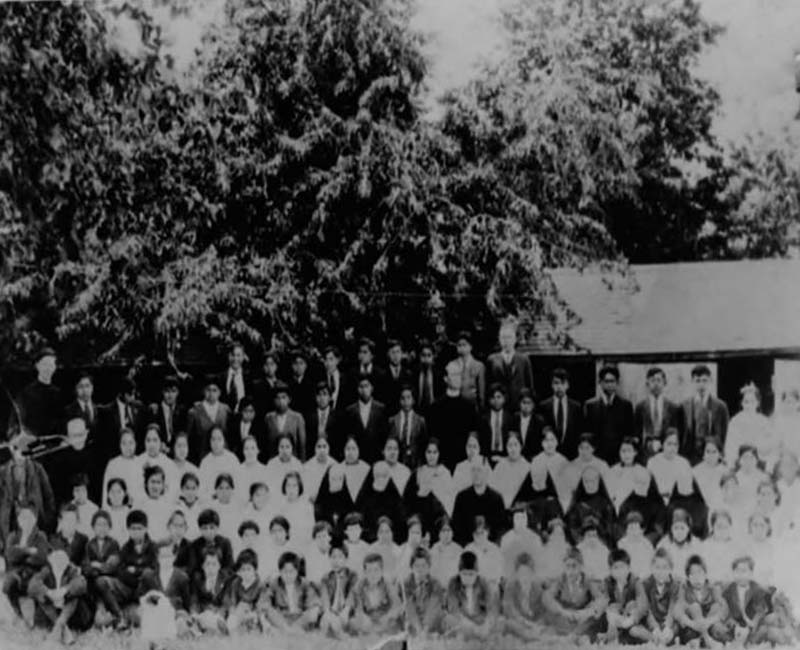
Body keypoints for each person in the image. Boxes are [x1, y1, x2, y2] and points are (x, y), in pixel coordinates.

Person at [99, 509, 157, 630]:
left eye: (139, 528)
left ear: (146, 529)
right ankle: (118, 615)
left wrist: (136, 570)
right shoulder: (125, 548)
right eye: (133, 528)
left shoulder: (152, 547)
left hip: (143, 591)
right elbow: (120, 572)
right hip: (127, 587)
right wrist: (132, 576)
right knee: (102, 582)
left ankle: (140, 613)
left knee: (147, 574)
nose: (136, 532)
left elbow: (154, 570)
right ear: (128, 530)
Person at [0, 436, 55, 552]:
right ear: (12, 450)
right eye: (19, 451)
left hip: (34, 522)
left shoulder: (37, 469)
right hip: (11, 523)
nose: (22, 456)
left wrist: (48, 522)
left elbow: (48, 497)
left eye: (25, 452)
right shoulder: (3, 473)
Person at [28, 547, 93, 643]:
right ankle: (63, 628)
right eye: (56, 562)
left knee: (74, 597)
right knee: (41, 597)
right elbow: (32, 585)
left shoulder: (72, 571)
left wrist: (64, 591)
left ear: (66, 563)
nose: (58, 565)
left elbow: (81, 584)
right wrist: (49, 592)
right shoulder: (46, 571)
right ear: (51, 562)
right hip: (51, 611)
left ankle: (60, 624)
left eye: (62, 562)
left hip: (71, 614)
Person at [541, 547, 606, 641]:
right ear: (564, 566)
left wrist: (586, 612)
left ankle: (576, 635)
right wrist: (563, 611)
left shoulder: (587, 580)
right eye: (567, 566)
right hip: (566, 617)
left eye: (574, 566)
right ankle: (569, 635)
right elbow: (547, 597)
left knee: (598, 617)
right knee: (549, 615)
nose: (571, 570)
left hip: (582, 619)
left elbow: (600, 599)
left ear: (581, 566)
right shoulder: (561, 580)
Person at [720, 555, 787, 646]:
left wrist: (752, 624)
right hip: (736, 625)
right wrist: (730, 620)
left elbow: (760, 612)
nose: (740, 575)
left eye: (744, 571)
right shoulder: (730, 590)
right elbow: (726, 607)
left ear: (751, 573)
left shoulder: (756, 590)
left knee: (766, 630)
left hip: (754, 624)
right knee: (724, 633)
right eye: (737, 571)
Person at [427, 361, 479, 470]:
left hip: (464, 463)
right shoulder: (436, 407)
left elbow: (472, 436)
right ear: (446, 379)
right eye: (454, 375)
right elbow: (433, 437)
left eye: (459, 375)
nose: (458, 378)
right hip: (442, 463)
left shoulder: (469, 406)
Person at [2, 504, 50, 623]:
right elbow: (9, 556)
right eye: (22, 517)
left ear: (34, 519)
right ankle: (18, 614)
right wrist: (28, 551)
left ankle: (38, 616)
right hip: (16, 572)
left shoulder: (41, 536)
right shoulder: (13, 536)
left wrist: (19, 551)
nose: (25, 521)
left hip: (34, 572)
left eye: (29, 517)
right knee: (7, 584)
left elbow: (41, 558)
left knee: (35, 586)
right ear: (18, 520)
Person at [673, 554, 728, 647]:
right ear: (688, 578)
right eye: (692, 574)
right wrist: (692, 624)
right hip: (693, 628)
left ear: (705, 575)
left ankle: (703, 639)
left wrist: (709, 621)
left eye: (700, 573)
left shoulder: (712, 588)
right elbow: (677, 610)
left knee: (716, 608)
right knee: (694, 607)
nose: (697, 578)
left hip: (709, 625)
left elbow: (724, 607)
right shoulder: (684, 589)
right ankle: (706, 640)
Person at [583, 365, 634, 463]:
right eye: (606, 381)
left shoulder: (626, 405)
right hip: (597, 457)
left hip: (619, 458)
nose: (610, 384)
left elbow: (629, 434)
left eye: (612, 381)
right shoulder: (590, 406)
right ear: (600, 383)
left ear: (617, 383)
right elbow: (588, 435)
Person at [443, 550, 497, 640]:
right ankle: (468, 634)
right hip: (461, 620)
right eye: (464, 574)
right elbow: (454, 609)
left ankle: (475, 634)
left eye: (471, 574)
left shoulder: (483, 583)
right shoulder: (453, 583)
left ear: (477, 573)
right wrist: (470, 627)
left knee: (496, 623)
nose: (467, 578)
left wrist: (487, 624)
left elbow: (491, 607)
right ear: (459, 573)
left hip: (479, 620)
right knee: (448, 618)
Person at [681, 365, 730, 463]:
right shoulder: (684, 406)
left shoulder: (720, 406)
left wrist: (720, 455)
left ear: (710, 381)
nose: (701, 385)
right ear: (692, 382)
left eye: (704, 380)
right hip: (690, 457)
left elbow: (724, 435)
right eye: (697, 381)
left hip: (712, 456)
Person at [631, 547, 679, 645]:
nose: (661, 572)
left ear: (671, 569)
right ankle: (654, 639)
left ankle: (664, 639)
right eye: (657, 567)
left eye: (665, 568)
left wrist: (667, 627)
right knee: (634, 630)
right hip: (651, 623)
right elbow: (647, 610)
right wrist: (655, 628)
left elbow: (672, 609)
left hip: (668, 623)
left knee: (676, 627)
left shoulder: (674, 585)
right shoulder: (645, 584)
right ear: (652, 568)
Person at [12, 347, 63, 440]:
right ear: (37, 366)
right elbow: (18, 421)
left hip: (55, 441)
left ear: (55, 367)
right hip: (33, 442)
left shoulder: (58, 393)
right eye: (45, 364)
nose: (48, 369)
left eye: (51, 364)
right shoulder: (26, 393)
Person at [725, 383, 778, 471]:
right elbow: (730, 447)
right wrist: (732, 465)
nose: (749, 405)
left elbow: (770, 445)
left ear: (758, 403)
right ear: (742, 403)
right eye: (746, 402)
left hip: (760, 462)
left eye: (753, 401)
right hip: (740, 463)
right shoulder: (735, 422)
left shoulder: (764, 422)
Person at [451, 461, 506, 545]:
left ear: (486, 473)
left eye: (479, 470)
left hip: (490, 546)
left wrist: (491, 546)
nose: (476, 474)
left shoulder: (496, 498)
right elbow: (456, 526)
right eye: (473, 470)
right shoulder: (462, 497)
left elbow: (501, 528)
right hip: (466, 546)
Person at [600, 549, 647, 644]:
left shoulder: (635, 581)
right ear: (610, 570)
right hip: (615, 619)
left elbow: (643, 605)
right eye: (615, 568)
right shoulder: (607, 582)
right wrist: (611, 613)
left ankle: (650, 637)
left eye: (622, 567)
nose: (619, 571)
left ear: (629, 568)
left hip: (632, 618)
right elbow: (604, 601)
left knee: (632, 607)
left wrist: (632, 619)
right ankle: (612, 636)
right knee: (611, 609)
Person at [486, 319, 534, 412]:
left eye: (509, 337)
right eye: (503, 337)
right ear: (499, 339)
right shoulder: (492, 359)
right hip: (499, 406)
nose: (506, 341)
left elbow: (529, 386)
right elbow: (488, 385)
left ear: (515, 339)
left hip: (518, 405)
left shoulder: (523, 359)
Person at [350, 552, 402, 635]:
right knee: (354, 623)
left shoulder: (387, 584)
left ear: (382, 571)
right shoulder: (360, 586)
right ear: (364, 572)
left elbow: (397, 605)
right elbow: (358, 609)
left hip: (385, 618)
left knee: (395, 623)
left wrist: (388, 617)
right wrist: (364, 619)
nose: (373, 574)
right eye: (369, 571)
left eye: (376, 570)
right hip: (368, 619)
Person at [635, 367, 681, 458]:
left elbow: (675, 432)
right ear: (647, 383)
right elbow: (637, 433)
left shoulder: (673, 407)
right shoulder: (640, 407)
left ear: (664, 383)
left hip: (666, 452)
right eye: (652, 380)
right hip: (646, 453)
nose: (656, 384)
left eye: (659, 380)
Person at [565, 465, 616, 546]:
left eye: (593, 480)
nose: (590, 484)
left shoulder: (606, 504)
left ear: (599, 481)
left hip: (602, 546)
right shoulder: (576, 505)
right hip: (581, 545)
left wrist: (598, 524)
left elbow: (610, 531)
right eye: (586, 481)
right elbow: (572, 530)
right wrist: (584, 528)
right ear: (582, 482)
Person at [342, 374, 387, 464]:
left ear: (372, 388)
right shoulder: (350, 410)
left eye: (366, 386)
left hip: (376, 456)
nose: (364, 390)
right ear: (357, 389)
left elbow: (384, 434)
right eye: (361, 387)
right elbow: (349, 434)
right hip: (357, 457)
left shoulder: (381, 409)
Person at [186, 375, 231, 464]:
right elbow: (189, 439)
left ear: (219, 392)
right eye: (208, 390)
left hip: (223, 458)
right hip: (200, 458)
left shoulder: (226, 410)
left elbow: (230, 436)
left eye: (214, 390)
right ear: (203, 391)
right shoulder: (194, 412)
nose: (211, 394)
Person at [540, 368, 583, 459]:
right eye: (556, 383)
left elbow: (578, 433)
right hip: (549, 455)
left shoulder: (576, 407)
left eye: (563, 383)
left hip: (570, 455)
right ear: (552, 385)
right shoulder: (544, 406)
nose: (559, 386)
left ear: (567, 385)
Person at [501, 552, 545, 641]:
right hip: (517, 622)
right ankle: (530, 636)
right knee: (509, 623)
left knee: (548, 624)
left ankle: (534, 635)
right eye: (521, 573)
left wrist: (537, 624)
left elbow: (542, 611)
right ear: (516, 574)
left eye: (527, 573)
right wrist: (527, 623)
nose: (524, 577)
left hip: (533, 623)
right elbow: (510, 610)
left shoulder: (537, 588)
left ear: (532, 573)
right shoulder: (510, 587)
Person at [319, 540, 358, 637]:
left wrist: (346, 610)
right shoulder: (326, 578)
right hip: (332, 613)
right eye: (333, 557)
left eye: (340, 557)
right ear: (329, 559)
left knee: (353, 622)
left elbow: (352, 595)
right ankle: (339, 634)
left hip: (347, 612)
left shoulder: (352, 575)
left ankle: (340, 634)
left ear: (346, 559)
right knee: (326, 621)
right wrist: (327, 613)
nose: (336, 561)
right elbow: (325, 598)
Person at [360, 461, 406, 543]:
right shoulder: (365, 496)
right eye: (378, 475)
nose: (381, 479)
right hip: (370, 541)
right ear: (373, 475)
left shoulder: (394, 497)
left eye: (384, 475)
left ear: (389, 477)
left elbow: (400, 524)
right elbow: (363, 523)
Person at [404, 546, 446, 636]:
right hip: (414, 623)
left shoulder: (436, 583)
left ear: (429, 566)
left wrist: (425, 629)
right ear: (411, 567)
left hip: (432, 623)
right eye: (417, 566)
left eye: (424, 566)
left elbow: (433, 607)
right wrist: (418, 628)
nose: (420, 569)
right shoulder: (406, 583)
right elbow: (409, 608)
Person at [190, 546, 232, 633]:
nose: (210, 568)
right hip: (203, 614)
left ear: (219, 566)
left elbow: (226, 603)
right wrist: (194, 614)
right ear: (203, 566)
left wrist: (219, 616)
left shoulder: (226, 580)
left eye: (214, 564)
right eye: (207, 564)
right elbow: (194, 600)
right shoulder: (198, 580)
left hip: (219, 615)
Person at [647, 427, 693, 504]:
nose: (672, 448)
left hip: (678, 503)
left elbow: (687, 491)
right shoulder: (653, 462)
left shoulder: (684, 463)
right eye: (669, 444)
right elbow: (647, 489)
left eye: (675, 444)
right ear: (662, 444)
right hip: (656, 503)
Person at [264, 382, 307, 461]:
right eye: (278, 398)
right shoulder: (269, 418)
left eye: (283, 397)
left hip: (292, 462)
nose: (281, 401)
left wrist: (302, 464)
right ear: (274, 400)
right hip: (274, 462)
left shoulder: (297, 418)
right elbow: (266, 444)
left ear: (289, 399)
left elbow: (302, 446)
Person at [223, 549, 263, 634]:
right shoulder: (236, 583)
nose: (246, 573)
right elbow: (233, 601)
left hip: (252, 614)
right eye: (243, 570)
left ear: (255, 570)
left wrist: (253, 612)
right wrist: (233, 610)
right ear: (239, 571)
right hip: (238, 612)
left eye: (249, 569)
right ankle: (230, 629)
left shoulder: (259, 585)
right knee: (233, 618)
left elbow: (260, 604)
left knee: (258, 620)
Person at [499, 504, 543, 581]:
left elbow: (539, 563)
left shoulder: (535, 538)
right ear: (513, 520)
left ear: (527, 520)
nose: (520, 521)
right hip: (511, 577)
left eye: (523, 517)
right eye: (517, 518)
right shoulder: (506, 538)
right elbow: (503, 563)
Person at [387, 386, 426, 469]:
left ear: (413, 400)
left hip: (415, 463)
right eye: (403, 398)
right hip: (397, 462)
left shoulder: (420, 421)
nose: (406, 401)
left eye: (408, 397)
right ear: (399, 401)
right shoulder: (392, 420)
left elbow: (423, 445)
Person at [138, 423, 180, 502]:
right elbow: (136, 489)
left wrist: (161, 502)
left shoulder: (169, 464)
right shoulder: (138, 462)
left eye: (155, 440)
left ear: (161, 442)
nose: (151, 444)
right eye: (148, 440)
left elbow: (173, 490)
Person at [529, 426, 570, 507]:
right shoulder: (536, 461)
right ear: (542, 443)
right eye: (546, 440)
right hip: (540, 499)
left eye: (552, 440)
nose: (549, 444)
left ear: (557, 442)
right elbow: (536, 487)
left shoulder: (563, 461)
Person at [197, 425, 240, 501]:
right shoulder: (205, 462)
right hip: (210, 501)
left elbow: (238, 485)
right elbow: (201, 489)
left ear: (224, 440)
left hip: (230, 501)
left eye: (219, 439)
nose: (216, 443)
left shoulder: (232, 459)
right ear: (209, 441)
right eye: (213, 439)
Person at [102, 427, 143, 505]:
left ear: (135, 443)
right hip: (118, 506)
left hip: (139, 505)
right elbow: (106, 493)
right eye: (124, 443)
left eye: (131, 442)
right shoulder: (113, 464)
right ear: (119, 445)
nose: (128, 447)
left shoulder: (141, 462)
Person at [656, 508, 701, 580]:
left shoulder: (696, 544)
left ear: (688, 529)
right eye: (676, 528)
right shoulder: (663, 544)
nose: (679, 532)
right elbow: (658, 567)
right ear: (671, 529)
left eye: (682, 528)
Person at [189, 509, 234, 578]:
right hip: (201, 579)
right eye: (205, 528)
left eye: (212, 528)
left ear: (217, 528)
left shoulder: (225, 543)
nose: (208, 531)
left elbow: (230, 567)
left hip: (221, 579)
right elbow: (193, 569)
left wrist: (216, 575)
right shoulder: (194, 545)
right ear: (200, 529)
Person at [699, 509, 739, 585]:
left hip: (730, 584)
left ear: (730, 527)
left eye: (725, 527)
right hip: (709, 584)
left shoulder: (735, 547)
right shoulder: (705, 546)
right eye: (719, 526)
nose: (722, 530)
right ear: (712, 527)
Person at [607, 436, 647, 512]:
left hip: (635, 509)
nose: (626, 454)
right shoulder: (613, 470)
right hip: (616, 508)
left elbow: (642, 496)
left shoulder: (642, 471)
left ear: (635, 452)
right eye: (623, 451)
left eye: (629, 451)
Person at [147, 375, 186, 453]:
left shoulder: (182, 411)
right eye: (167, 391)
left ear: (178, 392)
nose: (170, 395)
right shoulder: (154, 410)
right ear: (162, 392)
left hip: (177, 451)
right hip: (159, 451)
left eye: (173, 391)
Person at [136, 465, 174, 544]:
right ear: (146, 484)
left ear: (163, 485)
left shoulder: (169, 506)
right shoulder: (139, 506)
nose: (155, 486)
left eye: (158, 482)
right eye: (152, 482)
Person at [277, 470, 314, 546]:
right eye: (288, 485)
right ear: (284, 487)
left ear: (299, 487)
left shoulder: (307, 506)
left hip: (303, 545)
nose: (291, 489)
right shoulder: (280, 507)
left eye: (294, 485)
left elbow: (311, 532)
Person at [464, 515, 503, 587]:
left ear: (487, 532)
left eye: (482, 532)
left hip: (491, 585)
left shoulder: (494, 549)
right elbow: (465, 571)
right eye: (476, 533)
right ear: (472, 534)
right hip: (473, 586)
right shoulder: (468, 549)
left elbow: (498, 572)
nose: (479, 536)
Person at [480, 383, 513, 464]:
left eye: (499, 397)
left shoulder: (510, 418)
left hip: (505, 456)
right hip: (488, 455)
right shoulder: (483, 418)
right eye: (492, 397)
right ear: (489, 400)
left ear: (504, 398)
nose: (496, 400)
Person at [305, 382, 339, 458]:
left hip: (332, 456)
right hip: (314, 456)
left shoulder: (337, 417)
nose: (322, 398)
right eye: (319, 395)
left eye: (325, 394)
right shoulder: (309, 417)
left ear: (330, 397)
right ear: (315, 397)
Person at [617, 511, 655, 579]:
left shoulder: (647, 545)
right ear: (626, 530)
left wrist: (642, 577)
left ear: (642, 530)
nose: (633, 532)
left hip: (644, 577)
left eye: (636, 529)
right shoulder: (621, 544)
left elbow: (651, 565)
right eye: (630, 528)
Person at [454, 330, 486, 409]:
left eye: (464, 345)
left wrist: (481, 407)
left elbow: (481, 393)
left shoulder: (479, 366)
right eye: (459, 345)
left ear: (470, 347)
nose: (461, 348)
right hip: (456, 407)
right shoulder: (453, 365)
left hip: (472, 407)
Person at [693, 437, 727, 511]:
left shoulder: (724, 472)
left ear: (720, 454)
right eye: (708, 451)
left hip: (719, 509)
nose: (711, 455)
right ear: (703, 453)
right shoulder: (696, 471)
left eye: (714, 452)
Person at [430, 516, 462, 587]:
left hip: (454, 587)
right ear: (439, 533)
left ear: (453, 533)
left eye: (449, 530)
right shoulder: (434, 549)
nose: (446, 533)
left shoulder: (458, 550)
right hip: (437, 587)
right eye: (443, 531)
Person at [219, 342, 250, 415]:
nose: (235, 359)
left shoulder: (249, 376)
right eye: (232, 355)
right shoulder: (220, 377)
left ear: (243, 357)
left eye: (238, 355)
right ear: (228, 356)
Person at [355, 337, 389, 404]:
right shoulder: (352, 373)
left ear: (372, 355)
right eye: (360, 352)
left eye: (365, 352)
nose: (361, 355)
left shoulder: (381, 374)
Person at [64, 373, 99, 438]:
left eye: (87, 386)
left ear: (92, 388)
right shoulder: (68, 411)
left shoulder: (100, 410)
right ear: (75, 389)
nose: (85, 390)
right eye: (80, 386)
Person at [514, 388, 545, 460]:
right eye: (524, 402)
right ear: (519, 404)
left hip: (534, 459)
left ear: (533, 405)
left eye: (529, 403)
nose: (526, 406)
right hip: (517, 459)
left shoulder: (539, 421)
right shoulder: (514, 419)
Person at [251, 350, 283, 421]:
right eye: (266, 364)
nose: (269, 367)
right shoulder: (256, 385)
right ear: (263, 367)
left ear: (276, 366)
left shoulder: (282, 384)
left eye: (272, 364)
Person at [537, 516, 571, 582]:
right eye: (556, 533)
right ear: (551, 536)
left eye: (561, 534)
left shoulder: (568, 549)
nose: (559, 537)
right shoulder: (545, 550)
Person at [303, 437, 335, 503]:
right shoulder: (307, 466)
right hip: (311, 502)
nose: (322, 450)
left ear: (328, 448)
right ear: (315, 449)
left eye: (324, 446)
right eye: (319, 447)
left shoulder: (335, 465)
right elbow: (305, 490)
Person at [237, 435, 267, 504]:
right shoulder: (238, 470)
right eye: (246, 448)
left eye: (253, 448)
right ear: (243, 451)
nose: (249, 452)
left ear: (258, 450)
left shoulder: (264, 470)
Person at [322, 345, 351, 412]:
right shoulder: (320, 378)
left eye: (331, 359)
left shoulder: (346, 379)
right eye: (326, 359)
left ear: (337, 360)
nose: (328, 363)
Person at [385, 338, 412, 414]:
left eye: (398, 352)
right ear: (388, 354)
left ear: (402, 354)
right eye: (393, 352)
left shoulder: (408, 374)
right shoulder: (382, 375)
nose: (396, 355)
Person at [414, 339, 440, 413]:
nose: (426, 359)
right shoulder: (414, 373)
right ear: (419, 356)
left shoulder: (438, 374)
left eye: (429, 355)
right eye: (423, 355)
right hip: (418, 410)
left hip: (435, 409)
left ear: (433, 357)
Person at [288, 349, 315, 418]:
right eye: (295, 363)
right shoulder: (287, 384)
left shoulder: (311, 384)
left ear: (306, 366)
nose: (298, 366)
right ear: (291, 365)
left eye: (301, 363)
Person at [304, 520, 332, 584]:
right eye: (318, 537)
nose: (322, 539)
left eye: (324, 536)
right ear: (315, 539)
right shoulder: (311, 554)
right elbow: (312, 579)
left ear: (330, 537)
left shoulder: (334, 552)